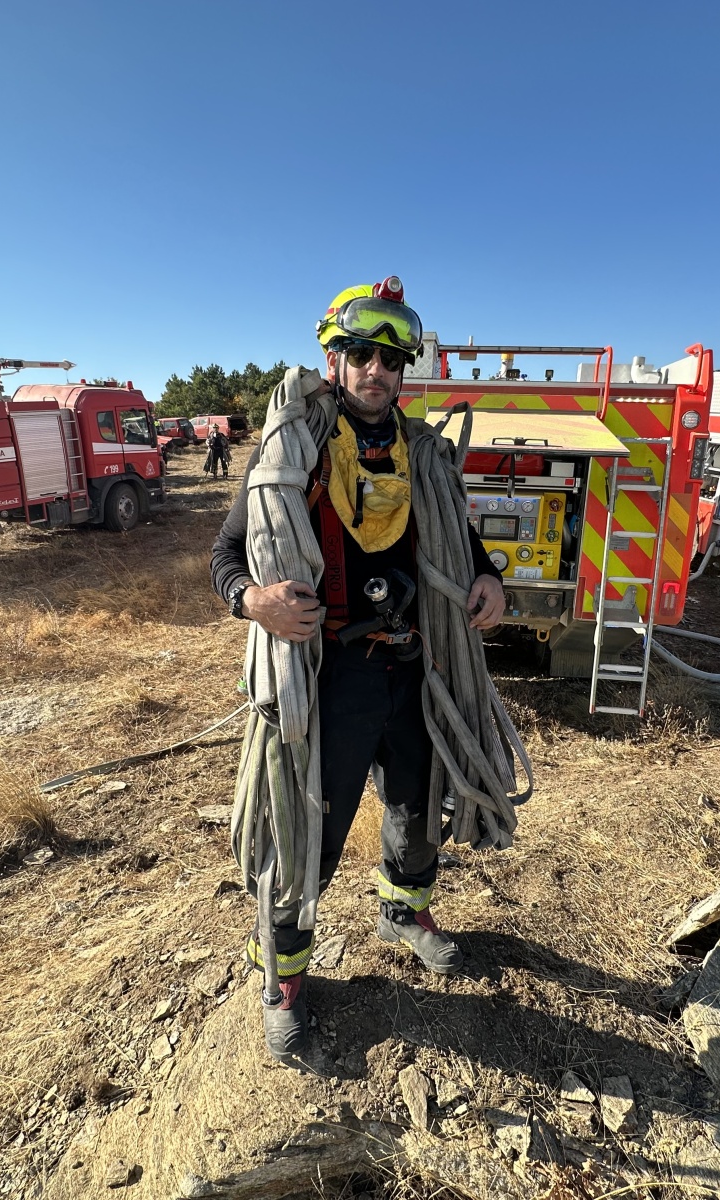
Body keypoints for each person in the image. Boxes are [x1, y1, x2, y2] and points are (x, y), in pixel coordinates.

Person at [211, 278, 506, 1064]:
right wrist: (254, 602)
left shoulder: (423, 456)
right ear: (333, 361)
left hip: (414, 669)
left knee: (417, 804)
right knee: (305, 829)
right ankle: (282, 977)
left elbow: (459, 540)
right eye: (361, 355)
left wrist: (488, 577)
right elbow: (226, 555)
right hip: (328, 679)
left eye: (391, 359)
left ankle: (403, 912)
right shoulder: (291, 450)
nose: (377, 370)